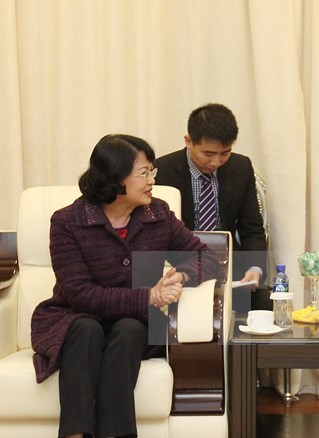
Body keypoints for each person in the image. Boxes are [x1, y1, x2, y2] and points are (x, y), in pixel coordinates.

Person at [30, 134, 219, 438]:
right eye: (144, 173)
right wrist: (149, 296)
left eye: (152, 171)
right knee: (86, 330)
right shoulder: (67, 222)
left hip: (136, 324)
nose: (151, 181)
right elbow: (79, 294)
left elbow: (207, 259)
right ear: (114, 178)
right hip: (74, 318)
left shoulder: (157, 214)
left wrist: (180, 276)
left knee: (129, 329)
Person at [155, 103, 270, 311]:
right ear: (188, 141)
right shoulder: (162, 171)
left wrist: (254, 268)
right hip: (182, 267)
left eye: (224, 153)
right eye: (208, 154)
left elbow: (252, 228)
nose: (216, 162)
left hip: (230, 269)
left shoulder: (240, 167)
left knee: (264, 302)